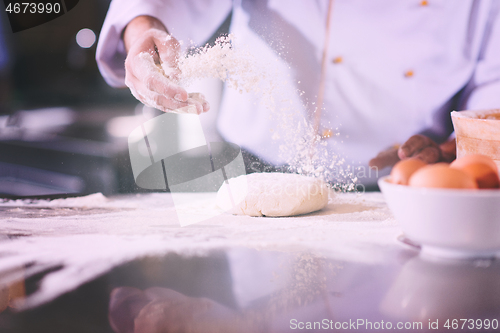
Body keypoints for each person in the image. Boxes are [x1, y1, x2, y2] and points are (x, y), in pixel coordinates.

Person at [96, 0, 500, 187]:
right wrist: (143, 30)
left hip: (397, 187)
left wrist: (452, 152)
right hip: (252, 172)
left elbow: (492, 97)